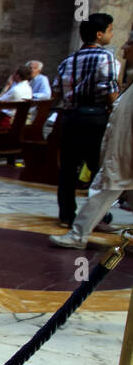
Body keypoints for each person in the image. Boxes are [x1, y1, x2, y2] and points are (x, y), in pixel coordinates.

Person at [54, 12, 121, 228]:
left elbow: (57, 91)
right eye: (111, 30)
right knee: (97, 168)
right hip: (95, 117)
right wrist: (115, 110)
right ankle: (97, 216)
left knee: (68, 168)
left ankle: (66, 214)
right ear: (99, 34)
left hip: (71, 117)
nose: (112, 34)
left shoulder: (68, 60)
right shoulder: (105, 57)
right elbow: (109, 88)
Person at [49, 84, 133, 249]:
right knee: (106, 188)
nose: (124, 56)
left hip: (124, 152)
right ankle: (78, 234)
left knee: (104, 189)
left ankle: (78, 235)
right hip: (122, 151)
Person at [0, 65, 32, 132]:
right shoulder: (28, 88)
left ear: (18, 76)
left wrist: (7, 85)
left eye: (14, 73)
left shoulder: (16, 89)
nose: (13, 75)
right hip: (18, 120)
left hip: (5, 121)